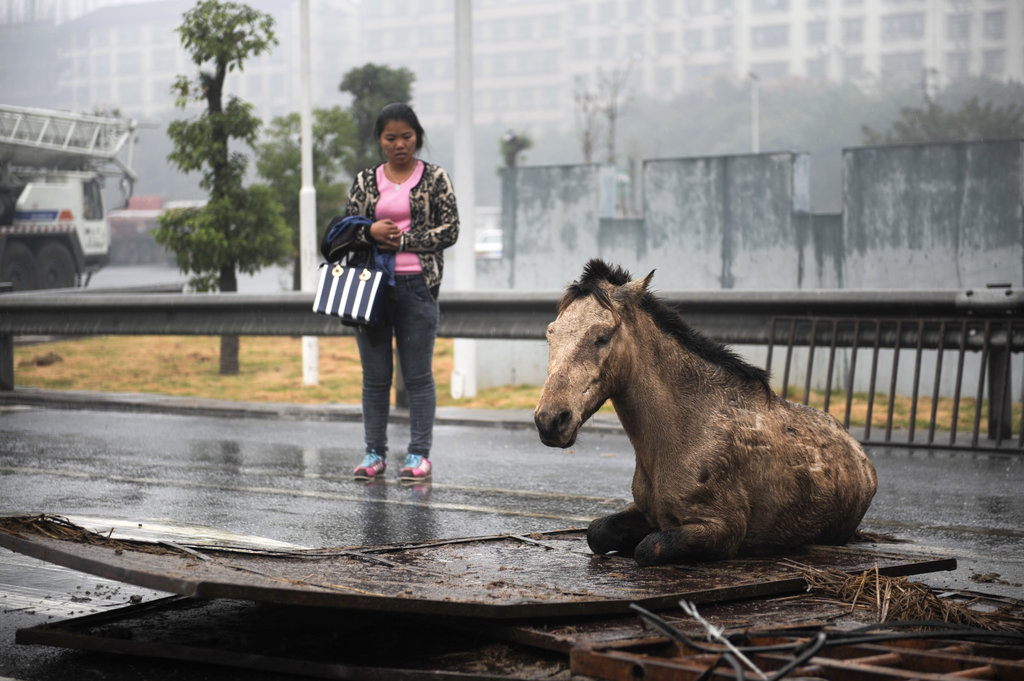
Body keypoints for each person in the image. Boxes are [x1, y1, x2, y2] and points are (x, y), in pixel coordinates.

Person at [343, 102, 459, 482]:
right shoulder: (365, 181)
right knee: (375, 377)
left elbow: (451, 230)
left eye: (406, 136)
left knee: (418, 377)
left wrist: (405, 241)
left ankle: (418, 455)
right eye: (390, 138)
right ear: (380, 140)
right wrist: (370, 231)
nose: (399, 144)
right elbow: (348, 229)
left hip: (417, 287)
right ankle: (374, 453)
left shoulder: (435, 178)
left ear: (417, 137)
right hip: (372, 287)